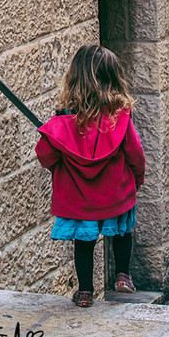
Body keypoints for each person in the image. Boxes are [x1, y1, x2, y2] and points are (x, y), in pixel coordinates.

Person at [35, 44, 146, 308]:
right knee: (121, 231)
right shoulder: (120, 119)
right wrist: (137, 180)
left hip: (79, 200)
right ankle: (122, 274)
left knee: (83, 244)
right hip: (115, 193)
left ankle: (85, 291)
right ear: (113, 80)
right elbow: (135, 153)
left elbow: (45, 155)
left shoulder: (62, 123)